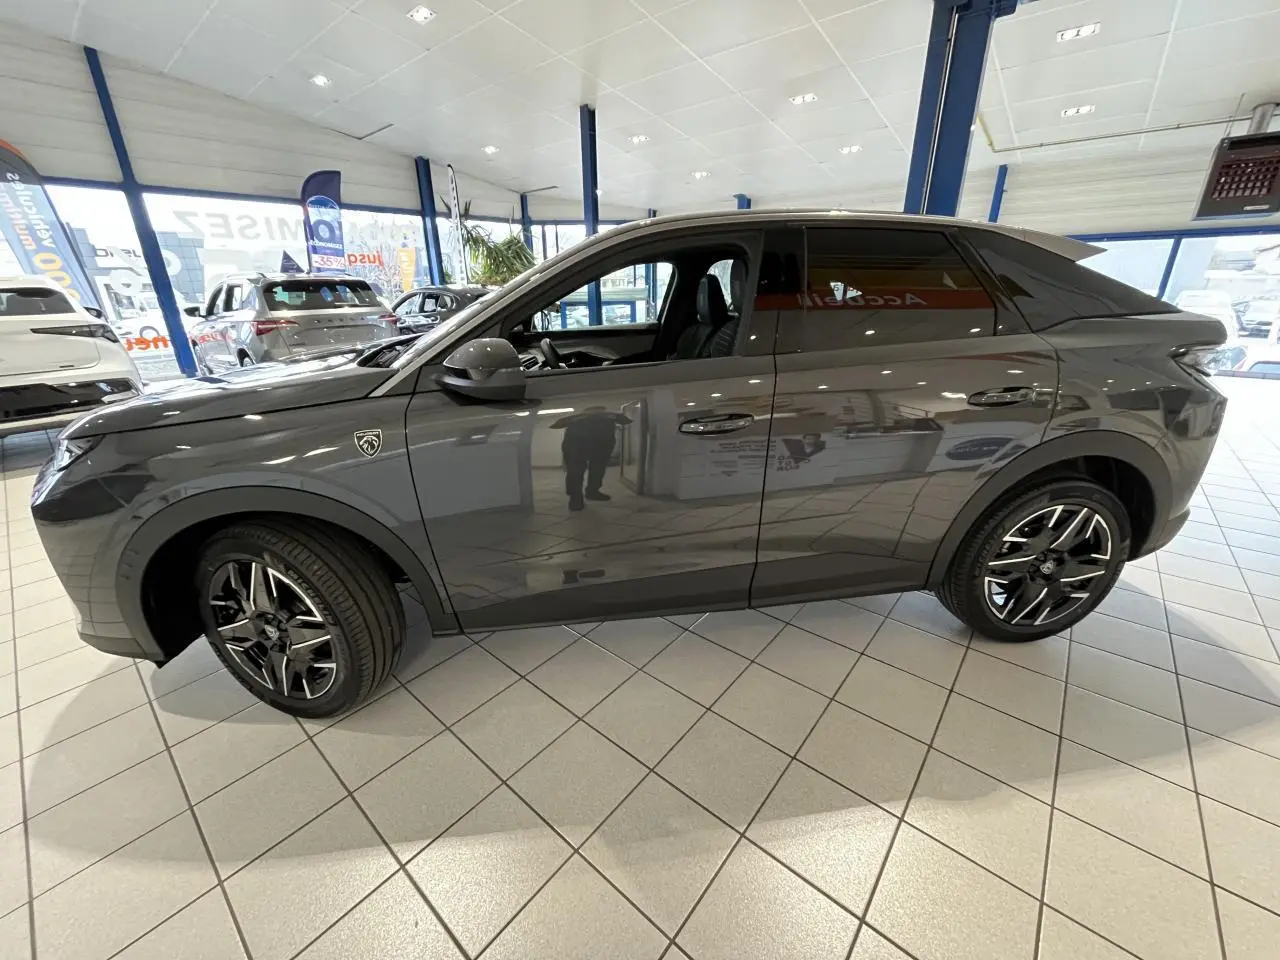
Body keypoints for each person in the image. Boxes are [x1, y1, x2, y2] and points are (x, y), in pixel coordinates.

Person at [550, 406, 633, 511]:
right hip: (576, 448)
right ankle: (575, 498)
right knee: (575, 473)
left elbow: (626, 421)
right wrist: (581, 417)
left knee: (597, 471)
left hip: (600, 449)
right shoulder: (576, 418)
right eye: (593, 412)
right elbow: (556, 425)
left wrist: (609, 415)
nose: (595, 413)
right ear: (585, 411)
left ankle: (592, 492)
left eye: (599, 412)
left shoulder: (609, 418)